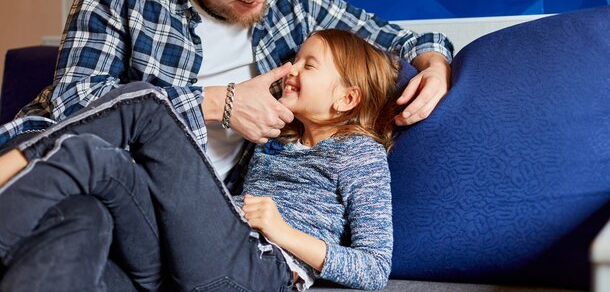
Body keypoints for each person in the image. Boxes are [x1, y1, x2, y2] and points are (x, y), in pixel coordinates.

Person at [0, 0, 452, 289]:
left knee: (105, 176)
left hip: (206, 225)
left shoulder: (290, 0)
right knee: (87, 203)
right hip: (125, 185)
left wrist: (435, 63)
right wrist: (220, 103)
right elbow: (73, 102)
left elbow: (394, 39)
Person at [0, 29, 401, 291]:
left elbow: (373, 268)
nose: (290, 69)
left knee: (149, 105)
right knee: (92, 178)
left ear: (346, 98)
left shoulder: (359, 153)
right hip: (198, 262)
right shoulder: (272, 137)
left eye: (308, 65)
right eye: (296, 59)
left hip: (261, 271)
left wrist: (281, 231)